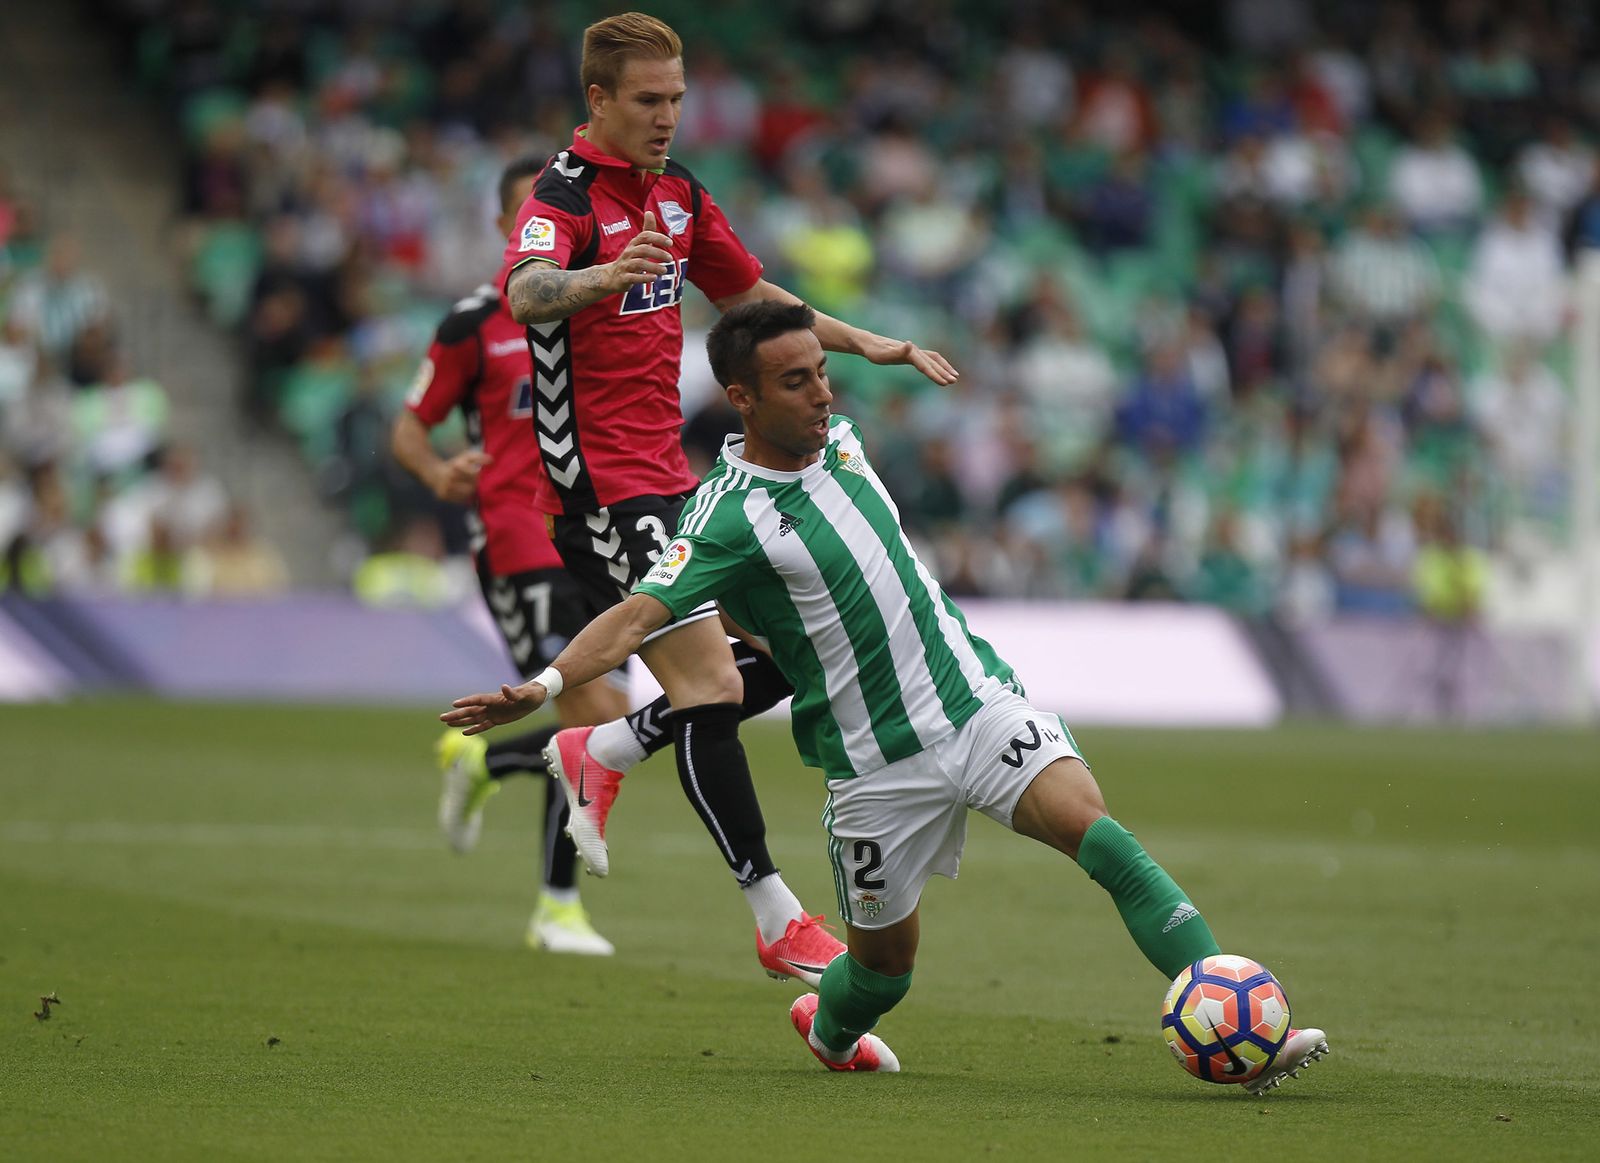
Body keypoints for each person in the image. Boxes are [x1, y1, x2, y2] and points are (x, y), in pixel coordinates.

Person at [442, 302, 1329, 1088]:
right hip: (871, 769)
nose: (823, 394)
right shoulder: (721, 517)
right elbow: (638, 615)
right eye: (797, 382)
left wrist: (877, 345)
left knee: (1101, 838)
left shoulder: (841, 437)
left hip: (975, 704)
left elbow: (796, 321)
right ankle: (828, 1030)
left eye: (823, 373)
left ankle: (1240, 1016)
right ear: (743, 398)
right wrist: (548, 684)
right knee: (884, 972)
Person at [495, 12, 956, 985]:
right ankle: (775, 913)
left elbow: (750, 299)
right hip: (603, 493)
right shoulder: (563, 197)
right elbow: (527, 290)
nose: (666, 117)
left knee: (790, 646)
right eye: (647, 101)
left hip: (674, 476)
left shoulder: (678, 196)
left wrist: (860, 338)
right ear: (598, 101)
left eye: (676, 99)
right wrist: (593, 278)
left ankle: (603, 747)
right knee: (707, 686)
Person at [392, 157, 632, 955]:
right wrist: (435, 471)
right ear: (507, 230)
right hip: (518, 537)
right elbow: (410, 424)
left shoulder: (604, 306)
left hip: (598, 532)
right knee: (582, 719)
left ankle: (490, 763)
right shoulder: (472, 324)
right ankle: (556, 907)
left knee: (612, 725)